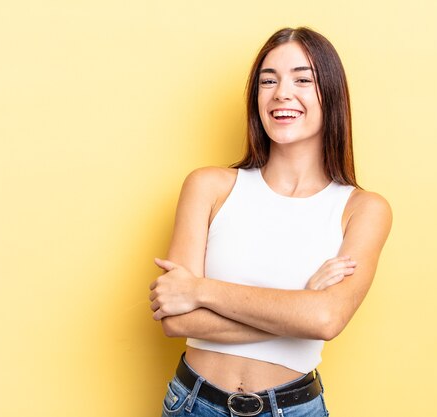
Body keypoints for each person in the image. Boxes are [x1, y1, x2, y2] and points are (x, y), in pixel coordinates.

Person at [149, 27, 392, 417]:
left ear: (331, 94)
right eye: (268, 80)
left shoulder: (363, 209)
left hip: (294, 408)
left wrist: (200, 289)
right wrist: (302, 306)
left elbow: (327, 319)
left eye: (302, 79)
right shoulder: (209, 187)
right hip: (193, 404)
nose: (281, 93)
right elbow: (177, 319)